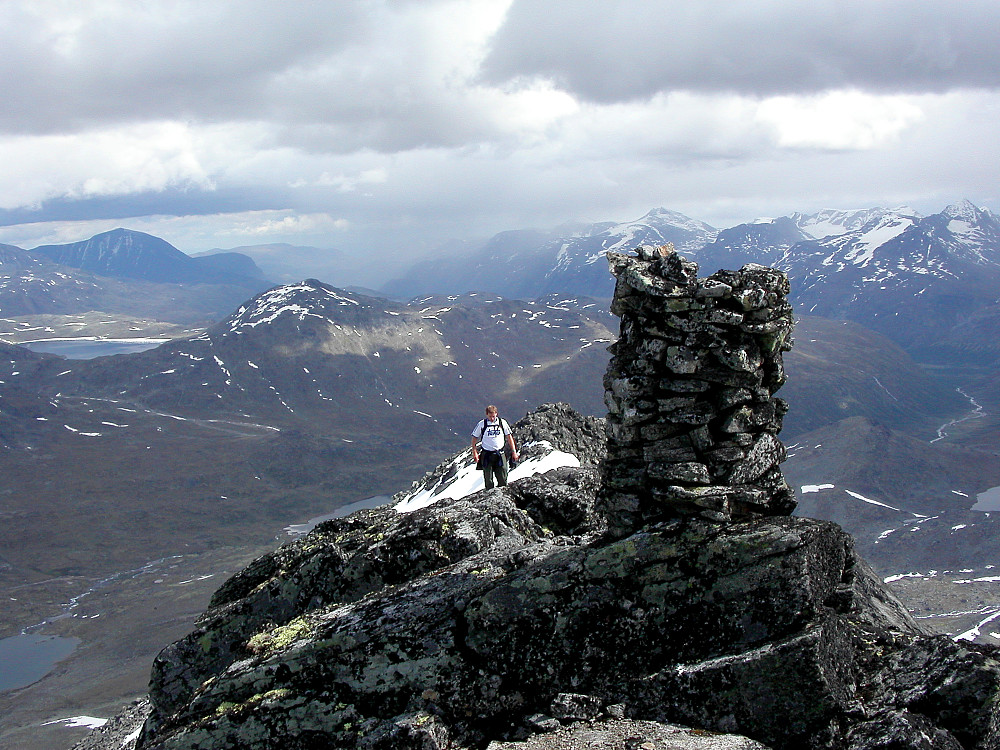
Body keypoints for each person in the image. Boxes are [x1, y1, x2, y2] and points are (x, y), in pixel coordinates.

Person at [471, 405, 519, 489]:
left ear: (496, 414)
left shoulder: (502, 422)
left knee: (503, 478)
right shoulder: (482, 424)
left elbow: (509, 437)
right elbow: (474, 437)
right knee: (488, 480)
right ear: (486, 415)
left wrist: (514, 452)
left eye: (493, 416)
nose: (492, 418)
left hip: (500, 454)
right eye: (490, 416)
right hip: (486, 455)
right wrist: (475, 452)